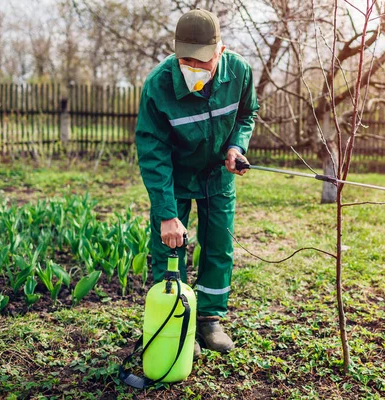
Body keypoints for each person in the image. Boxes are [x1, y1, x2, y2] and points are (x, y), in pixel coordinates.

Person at [135, 8, 259, 357]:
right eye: (186, 60)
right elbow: (152, 151)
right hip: (174, 177)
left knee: (218, 246)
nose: (194, 67)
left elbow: (247, 114)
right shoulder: (158, 85)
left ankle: (208, 319)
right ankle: (176, 323)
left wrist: (236, 146)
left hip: (217, 175)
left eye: (202, 61)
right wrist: (166, 213)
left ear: (221, 51)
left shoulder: (239, 72)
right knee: (169, 249)